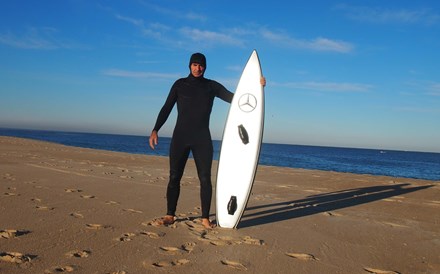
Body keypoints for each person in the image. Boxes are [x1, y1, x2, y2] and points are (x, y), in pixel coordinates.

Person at [149, 52, 265, 229]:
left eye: (201, 65)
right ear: (189, 66)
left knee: (205, 178)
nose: (198, 68)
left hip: (202, 138)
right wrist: (155, 129)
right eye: (195, 65)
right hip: (180, 137)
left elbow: (237, 99)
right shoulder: (180, 85)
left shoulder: (211, 86)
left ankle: (205, 218)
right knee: (174, 176)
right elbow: (166, 108)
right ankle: (170, 215)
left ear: (205, 67)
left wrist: (257, 87)